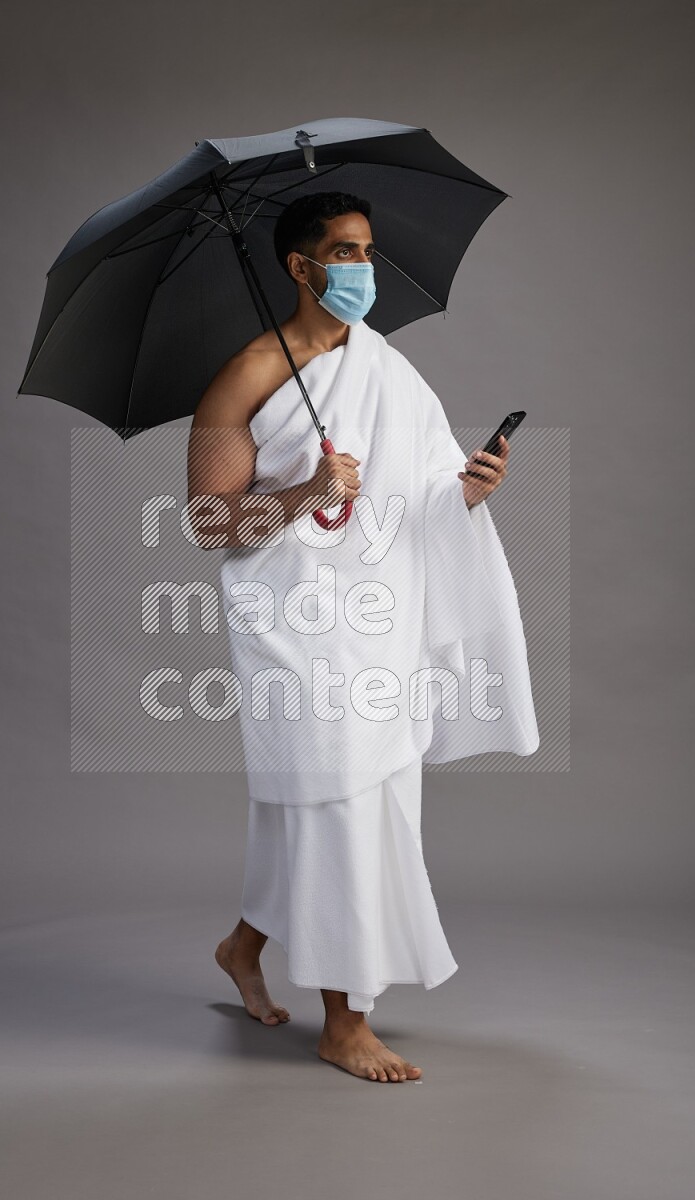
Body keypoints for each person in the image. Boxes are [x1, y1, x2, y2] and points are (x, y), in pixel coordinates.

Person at [187, 192, 523, 1083]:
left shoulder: (387, 369)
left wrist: (469, 492)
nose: (362, 270)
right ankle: (346, 1021)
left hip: (379, 618)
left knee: (346, 800)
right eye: (345, 252)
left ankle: (241, 947)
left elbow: (416, 497)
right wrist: (306, 493)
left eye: (369, 251)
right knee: (337, 797)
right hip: (293, 624)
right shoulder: (246, 374)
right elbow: (210, 524)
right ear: (301, 269)